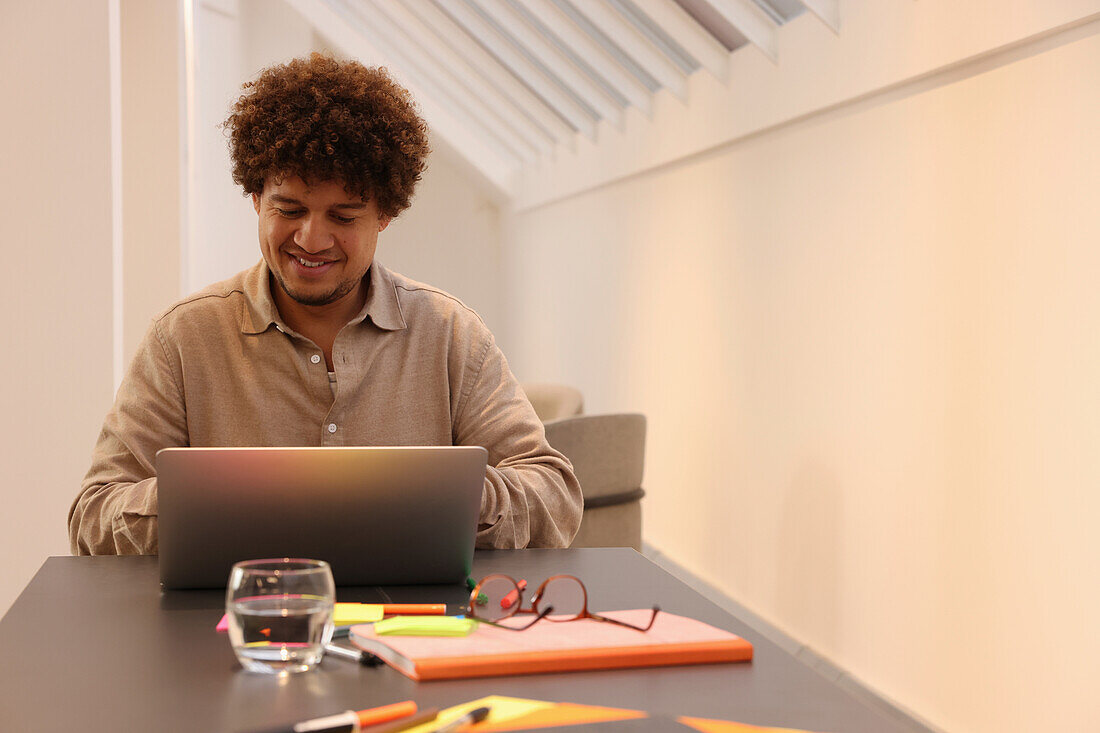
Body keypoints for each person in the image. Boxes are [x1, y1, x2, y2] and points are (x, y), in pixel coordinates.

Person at [69, 54, 582, 555]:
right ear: (255, 198)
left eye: (343, 216)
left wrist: (429, 498)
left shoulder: (450, 334)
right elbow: (94, 515)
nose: (311, 240)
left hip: (416, 629)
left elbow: (554, 496)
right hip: (242, 626)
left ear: (384, 214)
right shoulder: (182, 339)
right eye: (289, 210)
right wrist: (233, 502)